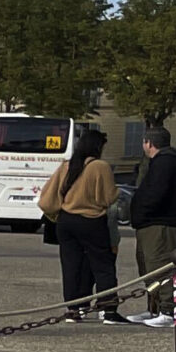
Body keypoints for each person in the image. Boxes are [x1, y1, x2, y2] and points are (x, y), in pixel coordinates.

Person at [39, 126, 130, 325]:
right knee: (103, 265)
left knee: (71, 266)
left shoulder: (67, 165)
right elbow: (109, 197)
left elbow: (47, 197)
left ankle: (74, 309)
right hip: (91, 220)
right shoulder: (100, 167)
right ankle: (108, 310)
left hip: (65, 221)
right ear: (98, 147)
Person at [128, 128, 176, 324]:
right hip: (152, 222)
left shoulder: (165, 163)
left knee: (160, 264)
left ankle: (168, 310)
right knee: (148, 266)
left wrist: (141, 212)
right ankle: (154, 308)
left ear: (149, 143)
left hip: (159, 223)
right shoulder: (164, 162)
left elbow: (156, 194)